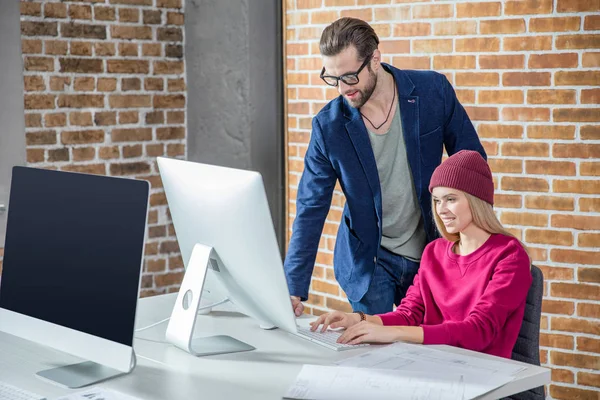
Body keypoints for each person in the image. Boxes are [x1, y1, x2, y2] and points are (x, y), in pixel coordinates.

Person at [285, 17, 486, 316]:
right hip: (370, 261)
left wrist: (476, 247)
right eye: (332, 78)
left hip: (430, 252)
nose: (342, 89)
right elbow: (311, 206)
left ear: (375, 59)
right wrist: (292, 288)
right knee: (375, 354)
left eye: (350, 77)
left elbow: (473, 163)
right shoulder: (328, 128)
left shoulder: (433, 92)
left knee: (431, 350)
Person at [309, 150, 532, 359]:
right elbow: (408, 315)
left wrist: (396, 333)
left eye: (451, 199)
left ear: (476, 200)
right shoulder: (434, 252)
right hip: (431, 361)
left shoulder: (509, 256)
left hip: (481, 371)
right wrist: (356, 318)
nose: (441, 209)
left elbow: (478, 331)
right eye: (436, 200)